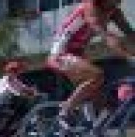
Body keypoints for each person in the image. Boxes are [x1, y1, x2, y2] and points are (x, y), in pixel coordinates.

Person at [47, 0, 135, 129]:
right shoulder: (90, 7)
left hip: (78, 54)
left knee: (102, 97)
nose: (118, 2)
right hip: (60, 54)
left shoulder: (114, 11)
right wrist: (129, 57)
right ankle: (65, 111)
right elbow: (106, 37)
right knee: (96, 75)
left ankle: (93, 130)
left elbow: (130, 33)